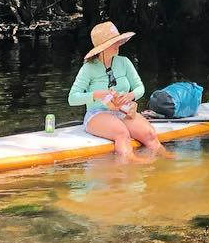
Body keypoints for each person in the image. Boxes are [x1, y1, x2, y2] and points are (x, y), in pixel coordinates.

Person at [69, 21, 165, 157]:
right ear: (103, 48)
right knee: (122, 133)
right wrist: (97, 95)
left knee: (150, 134)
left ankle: (166, 159)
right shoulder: (88, 68)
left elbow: (140, 87)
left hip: (123, 111)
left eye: (118, 41)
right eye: (114, 42)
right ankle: (130, 164)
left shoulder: (124, 62)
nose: (118, 45)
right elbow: (72, 98)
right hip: (97, 114)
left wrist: (130, 96)